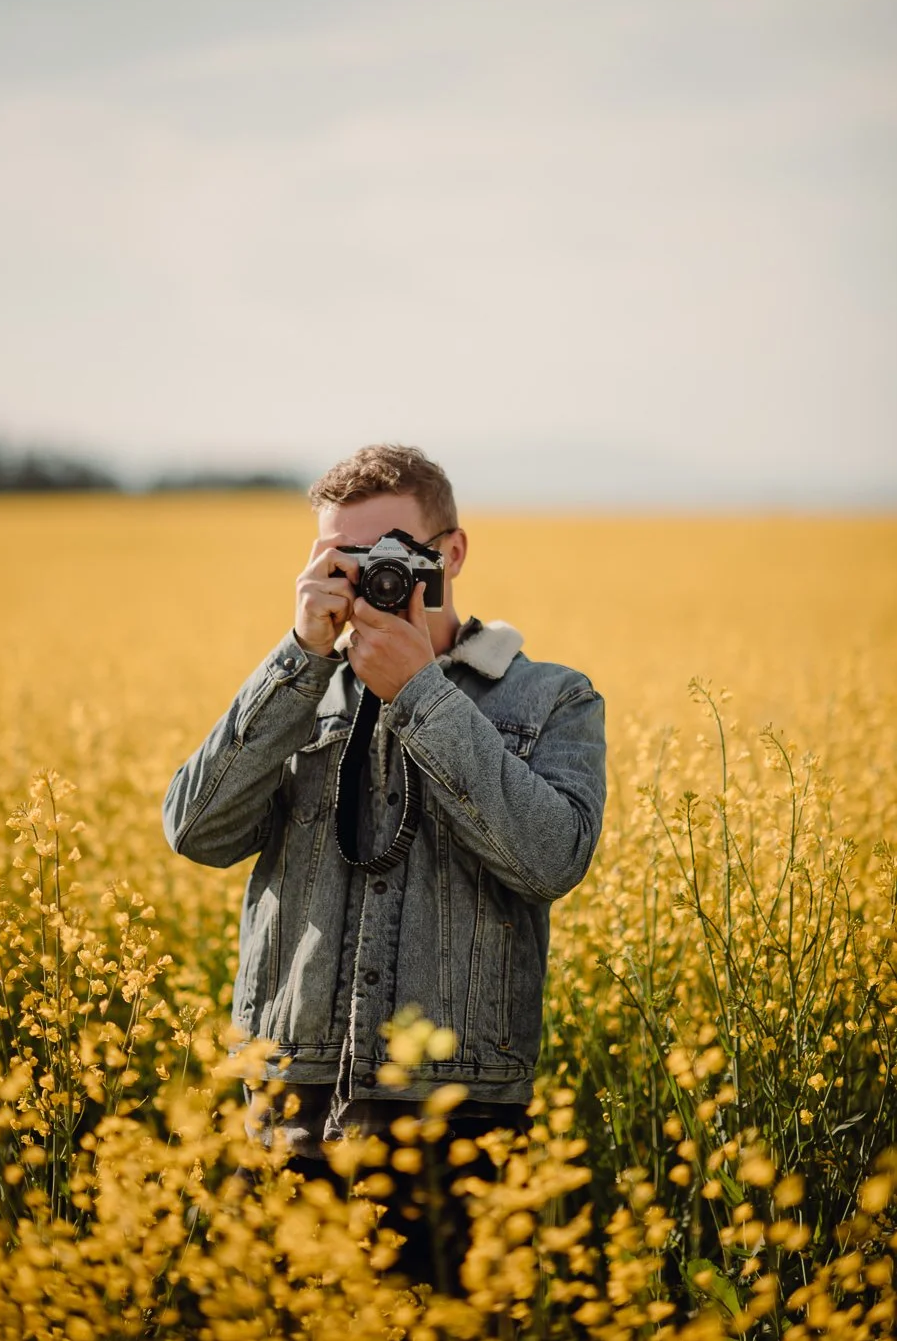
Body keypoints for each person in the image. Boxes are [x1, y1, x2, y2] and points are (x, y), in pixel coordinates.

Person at [162, 443, 607, 1287]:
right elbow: (195, 830)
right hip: (289, 1106)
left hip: (456, 1118)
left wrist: (420, 695)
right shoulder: (298, 692)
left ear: (451, 554)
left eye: (393, 554)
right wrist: (300, 655)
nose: (375, 576)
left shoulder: (550, 698)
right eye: (347, 556)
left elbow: (552, 859)